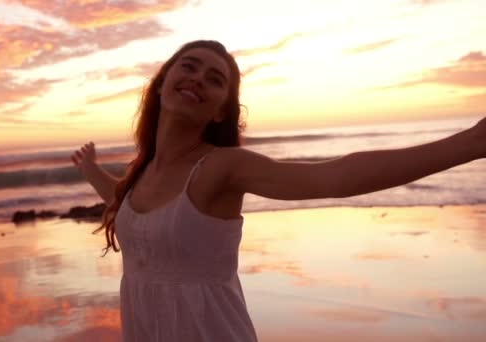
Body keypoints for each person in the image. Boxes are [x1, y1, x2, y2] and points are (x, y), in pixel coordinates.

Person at [70, 40, 485, 342]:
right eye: (189, 67)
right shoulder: (141, 174)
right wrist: (90, 169)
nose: (197, 79)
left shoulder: (221, 168)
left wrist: (471, 143)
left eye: (214, 80)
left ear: (219, 110)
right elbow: (127, 206)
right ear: (161, 84)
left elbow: (336, 176)